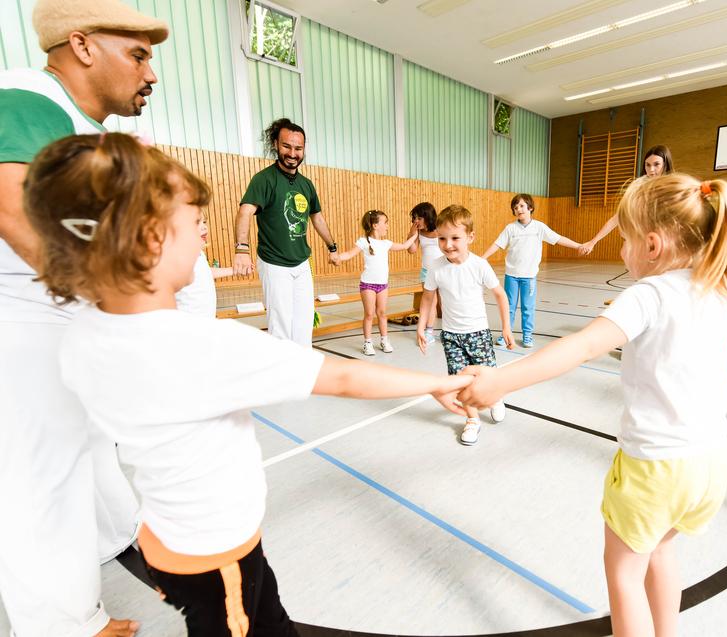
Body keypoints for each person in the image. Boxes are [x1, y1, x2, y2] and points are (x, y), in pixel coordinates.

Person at [23, 133, 473, 636]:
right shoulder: (200, 347)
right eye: (195, 225)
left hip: (168, 540)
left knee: (265, 615)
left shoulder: (85, 335)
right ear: (151, 240)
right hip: (216, 554)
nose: (205, 239)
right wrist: (430, 385)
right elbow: (342, 376)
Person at [459, 175, 727, 637]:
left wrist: (500, 381)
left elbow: (580, 347)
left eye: (624, 240)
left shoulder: (649, 294)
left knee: (624, 575)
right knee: (662, 553)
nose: (623, 250)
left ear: (651, 244)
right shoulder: (723, 290)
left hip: (655, 469)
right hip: (711, 463)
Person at [0, 1, 167, 634]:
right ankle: (64, 626)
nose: (151, 74)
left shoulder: (87, 130)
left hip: (59, 319)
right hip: (18, 323)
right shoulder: (27, 98)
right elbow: (16, 215)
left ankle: (107, 544)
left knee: (92, 452)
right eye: (139, 55)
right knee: (40, 482)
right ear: (83, 46)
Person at [233, 118, 339, 347]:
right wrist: (242, 248)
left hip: (301, 264)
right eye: (286, 146)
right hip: (274, 263)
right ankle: (284, 376)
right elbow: (245, 211)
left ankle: (303, 374)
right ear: (275, 145)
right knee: (281, 325)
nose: (292, 153)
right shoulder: (264, 180)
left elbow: (317, 218)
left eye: (298, 148)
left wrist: (332, 247)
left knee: (303, 323)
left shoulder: (307, 185)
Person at [419, 205, 513, 445]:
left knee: (487, 377)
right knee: (460, 381)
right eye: (442, 238)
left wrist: (506, 328)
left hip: (478, 334)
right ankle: (472, 420)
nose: (447, 244)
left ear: (470, 237)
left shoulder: (479, 265)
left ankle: (495, 398)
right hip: (451, 336)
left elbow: (501, 295)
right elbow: (428, 297)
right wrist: (421, 326)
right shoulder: (437, 267)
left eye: (454, 238)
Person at [481, 194, 582, 348]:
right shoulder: (511, 228)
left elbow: (558, 238)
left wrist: (578, 246)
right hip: (511, 276)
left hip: (529, 278)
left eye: (521, 206)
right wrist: (482, 258)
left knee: (528, 308)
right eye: (515, 207)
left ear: (530, 208)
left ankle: (527, 335)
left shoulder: (539, 228)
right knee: (509, 307)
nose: (518, 209)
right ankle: (505, 334)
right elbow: (497, 244)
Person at [334, 210, 418, 356]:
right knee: (369, 314)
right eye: (385, 223)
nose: (387, 226)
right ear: (374, 225)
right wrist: (338, 257)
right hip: (368, 285)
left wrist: (416, 234)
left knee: (382, 313)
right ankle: (368, 343)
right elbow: (349, 254)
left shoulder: (386, 243)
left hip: (382, 285)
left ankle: (384, 340)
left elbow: (405, 246)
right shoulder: (364, 242)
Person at [578, 145, 675, 256]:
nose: (651, 169)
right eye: (648, 165)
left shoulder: (674, 189)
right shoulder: (639, 190)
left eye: (656, 164)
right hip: (646, 246)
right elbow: (617, 218)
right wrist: (593, 242)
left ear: (665, 164)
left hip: (668, 246)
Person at [175, 213, 234, 317]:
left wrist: (233, 270)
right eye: (197, 222)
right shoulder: (178, 255)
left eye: (204, 222)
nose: (204, 226)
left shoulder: (199, 253)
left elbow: (204, 272)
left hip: (206, 318)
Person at [406, 202, 441, 344]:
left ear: (428, 217)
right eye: (414, 218)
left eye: (419, 218)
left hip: (444, 271)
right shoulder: (418, 232)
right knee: (430, 302)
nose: (416, 221)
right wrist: (411, 233)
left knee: (446, 301)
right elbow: (411, 250)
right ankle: (429, 331)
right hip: (427, 272)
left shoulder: (440, 229)